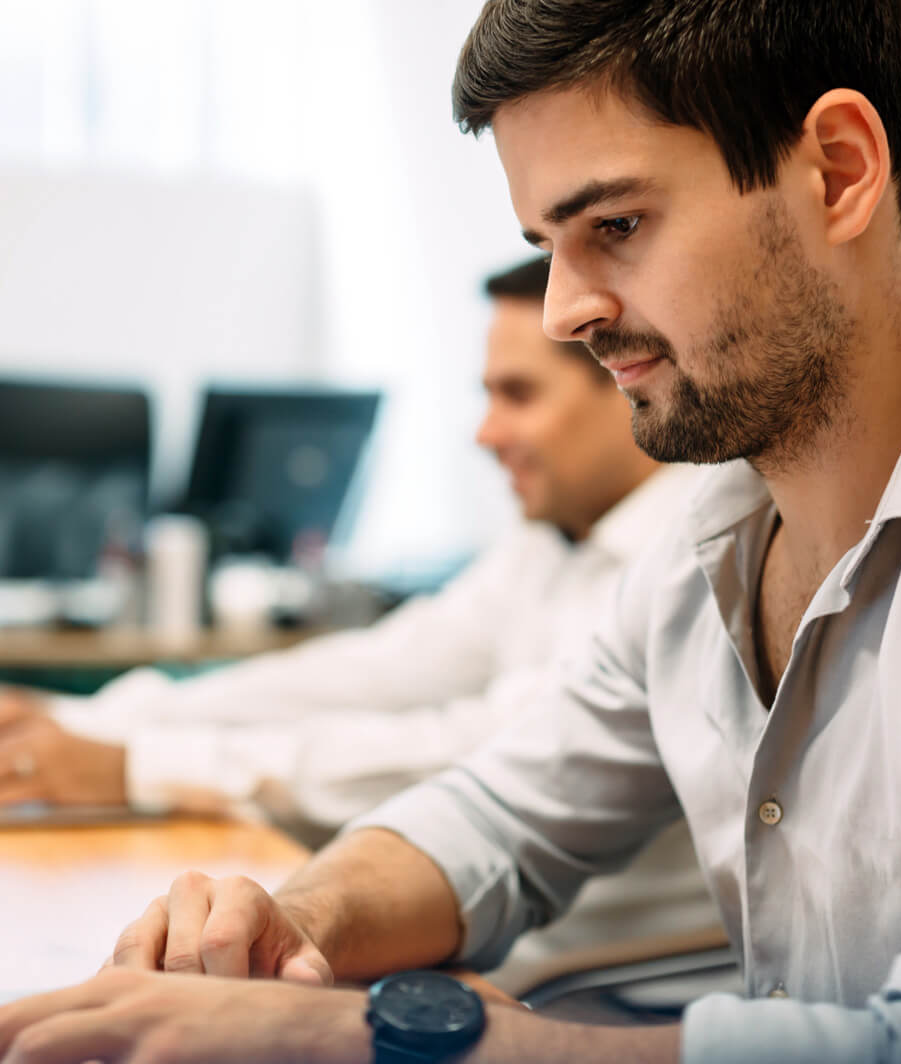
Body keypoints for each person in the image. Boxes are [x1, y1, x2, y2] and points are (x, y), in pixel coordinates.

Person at [2, 0, 901, 1061]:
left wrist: (365, 1037)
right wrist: (291, 926)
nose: (564, 310)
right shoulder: (710, 542)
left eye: (615, 226)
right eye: (551, 243)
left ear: (838, 171)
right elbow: (498, 813)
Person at [0, 256, 717, 991]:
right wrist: (90, 723)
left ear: (627, 380)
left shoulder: (692, 558)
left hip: (591, 1005)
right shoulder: (554, 542)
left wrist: (136, 764)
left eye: (519, 395)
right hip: (480, 969)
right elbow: (372, 673)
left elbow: (474, 754)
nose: (486, 433)